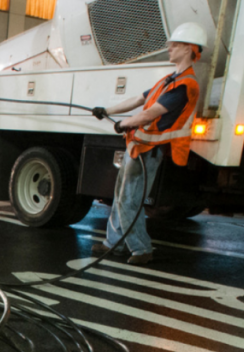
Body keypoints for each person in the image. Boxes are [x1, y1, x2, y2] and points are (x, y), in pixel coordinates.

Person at [91, 22, 207, 265]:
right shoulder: (170, 80)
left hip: (150, 151)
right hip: (139, 146)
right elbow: (138, 99)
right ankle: (114, 244)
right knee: (121, 197)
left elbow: (150, 113)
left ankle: (141, 249)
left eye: (174, 44)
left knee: (130, 200)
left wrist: (123, 124)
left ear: (188, 49)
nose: (169, 48)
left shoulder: (186, 85)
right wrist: (107, 110)